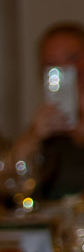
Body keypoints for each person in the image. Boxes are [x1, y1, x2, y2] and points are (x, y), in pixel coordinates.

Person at [9, 21, 84, 199]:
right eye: (52, 65)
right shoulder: (44, 132)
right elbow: (6, 186)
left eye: (73, 58)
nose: (66, 70)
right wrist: (33, 137)